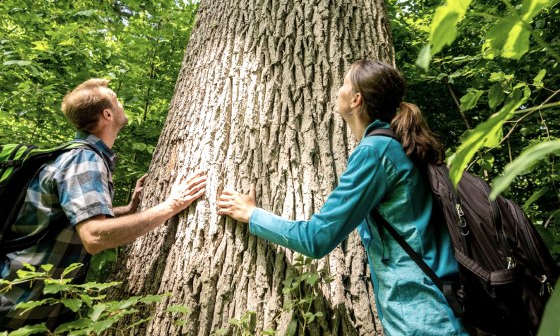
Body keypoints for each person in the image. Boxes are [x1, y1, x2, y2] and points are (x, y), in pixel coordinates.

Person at [218, 60, 468, 336]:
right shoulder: (398, 146)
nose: (338, 90)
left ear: (356, 100)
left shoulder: (376, 152)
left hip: (422, 318)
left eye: (344, 84)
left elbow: (316, 238)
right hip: (436, 311)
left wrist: (253, 214)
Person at [0, 78, 207, 331]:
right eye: (116, 100)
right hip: (21, 307)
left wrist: (127, 211)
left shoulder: (74, 156)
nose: (120, 104)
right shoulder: (85, 159)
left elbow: (67, 220)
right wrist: (171, 205)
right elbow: (94, 237)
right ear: (107, 114)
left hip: (22, 304)